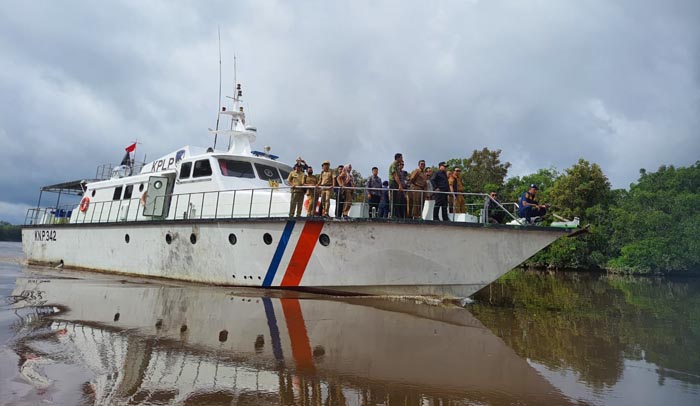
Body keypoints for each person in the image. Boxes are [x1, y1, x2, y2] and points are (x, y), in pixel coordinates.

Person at [388, 153, 405, 218]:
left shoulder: (397, 165)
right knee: (393, 198)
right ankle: (392, 214)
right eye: (401, 157)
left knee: (397, 199)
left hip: (395, 183)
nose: (402, 159)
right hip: (393, 183)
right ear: (398, 158)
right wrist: (400, 185)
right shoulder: (394, 165)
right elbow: (395, 175)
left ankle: (396, 214)